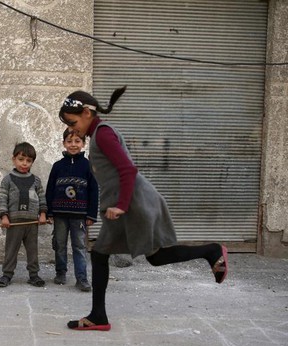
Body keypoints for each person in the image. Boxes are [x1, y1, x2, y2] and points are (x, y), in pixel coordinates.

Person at [58, 87, 228, 331]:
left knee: (125, 256)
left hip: (131, 203)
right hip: (126, 201)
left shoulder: (103, 134)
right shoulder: (101, 134)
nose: (73, 129)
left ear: (86, 113)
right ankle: (98, 316)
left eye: (73, 123)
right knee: (136, 256)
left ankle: (212, 250)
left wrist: (121, 206)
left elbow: (128, 170)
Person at [46, 129, 99, 291]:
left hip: (80, 217)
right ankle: (61, 272)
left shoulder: (88, 166)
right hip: (60, 215)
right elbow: (50, 190)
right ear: (64, 143)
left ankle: (81, 278)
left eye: (77, 141)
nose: (73, 145)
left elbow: (93, 191)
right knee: (60, 244)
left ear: (83, 143)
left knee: (79, 247)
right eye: (69, 141)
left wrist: (91, 214)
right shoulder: (57, 166)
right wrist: (49, 212)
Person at [0, 142, 48, 287]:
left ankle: (34, 275)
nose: (24, 163)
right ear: (14, 159)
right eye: (21, 159)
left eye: (28, 161)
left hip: (32, 223)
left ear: (32, 162)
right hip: (14, 222)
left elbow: (42, 198)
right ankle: (7, 274)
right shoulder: (8, 180)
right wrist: (4, 216)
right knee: (11, 249)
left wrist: (43, 214)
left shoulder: (36, 181)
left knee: (32, 250)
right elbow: (2, 199)